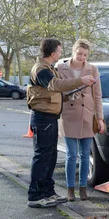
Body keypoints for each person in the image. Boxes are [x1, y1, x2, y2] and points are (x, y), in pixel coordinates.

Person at [27, 38, 96, 208]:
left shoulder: (48, 68)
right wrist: (81, 81)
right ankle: (35, 196)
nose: (60, 53)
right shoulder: (41, 69)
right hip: (43, 118)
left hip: (49, 118)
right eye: (59, 50)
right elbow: (54, 85)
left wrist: (68, 96)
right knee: (42, 157)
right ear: (53, 53)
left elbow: (52, 92)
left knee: (50, 157)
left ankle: (48, 192)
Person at [58, 39, 105, 201]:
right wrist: (69, 94)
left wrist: (100, 118)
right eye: (79, 53)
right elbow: (56, 90)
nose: (82, 57)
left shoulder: (93, 69)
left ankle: (83, 188)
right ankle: (70, 189)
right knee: (71, 155)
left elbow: (97, 95)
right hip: (69, 116)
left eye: (85, 54)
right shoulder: (61, 68)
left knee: (85, 155)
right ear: (73, 51)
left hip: (87, 116)